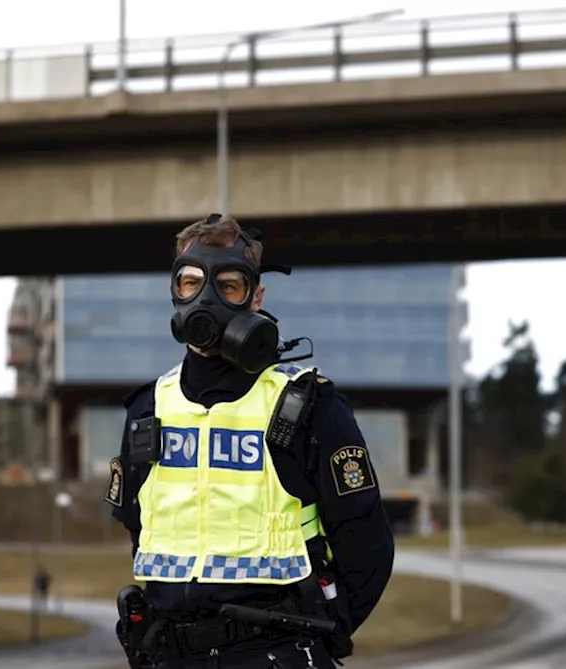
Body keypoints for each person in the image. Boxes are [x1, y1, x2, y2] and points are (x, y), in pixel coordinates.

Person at [105, 214, 395, 669]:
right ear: (175, 290)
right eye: (191, 283)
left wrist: (323, 635)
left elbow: (368, 546)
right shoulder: (148, 410)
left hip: (275, 653)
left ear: (256, 296)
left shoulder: (308, 406)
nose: (206, 298)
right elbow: (139, 532)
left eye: (229, 285)